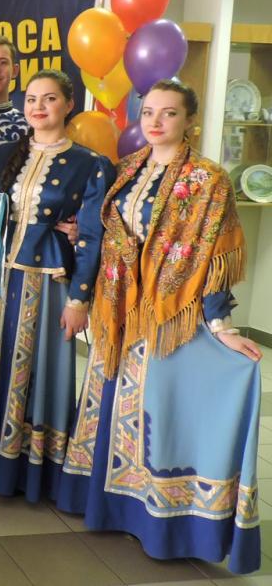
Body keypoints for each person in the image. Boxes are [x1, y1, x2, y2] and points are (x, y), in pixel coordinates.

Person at [57, 80, 261, 573]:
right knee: (115, 407)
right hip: (118, 310)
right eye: (148, 111)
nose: (155, 121)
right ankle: (109, 507)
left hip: (169, 313)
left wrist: (221, 324)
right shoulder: (127, 168)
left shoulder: (208, 180)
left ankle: (162, 521)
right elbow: (112, 230)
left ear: (189, 120)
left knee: (159, 416)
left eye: (168, 113)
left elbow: (212, 253)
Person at [0, 70, 114, 501]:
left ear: (69, 105)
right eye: (31, 99)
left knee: (39, 369)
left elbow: (93, 237)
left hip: (50, 283)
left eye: (49, 99)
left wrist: (79, 299)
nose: (38, 107)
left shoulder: (90, 164)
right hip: (2, 280)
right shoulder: (6, 154)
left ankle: (30, 472)